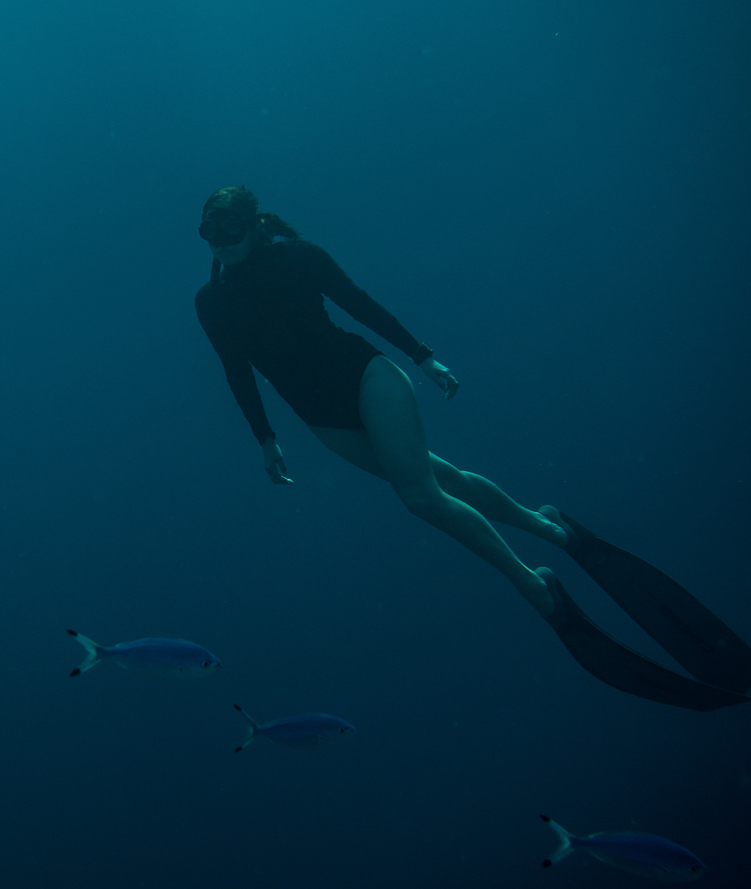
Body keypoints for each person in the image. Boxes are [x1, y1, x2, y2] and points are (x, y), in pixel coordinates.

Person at [194, 185, 751, 710]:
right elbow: (236, 372)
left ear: (255, 227)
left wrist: (423, 356)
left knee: (420, 497)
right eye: (211, 237)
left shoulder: (299, 256)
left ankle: (536, 586)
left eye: (230, 233)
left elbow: (358, 304)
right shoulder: (210, 302)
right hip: (320, 416)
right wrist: (265, 439)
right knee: (440, 480)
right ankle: (553, 529)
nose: (221, 245)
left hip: (365, 378)